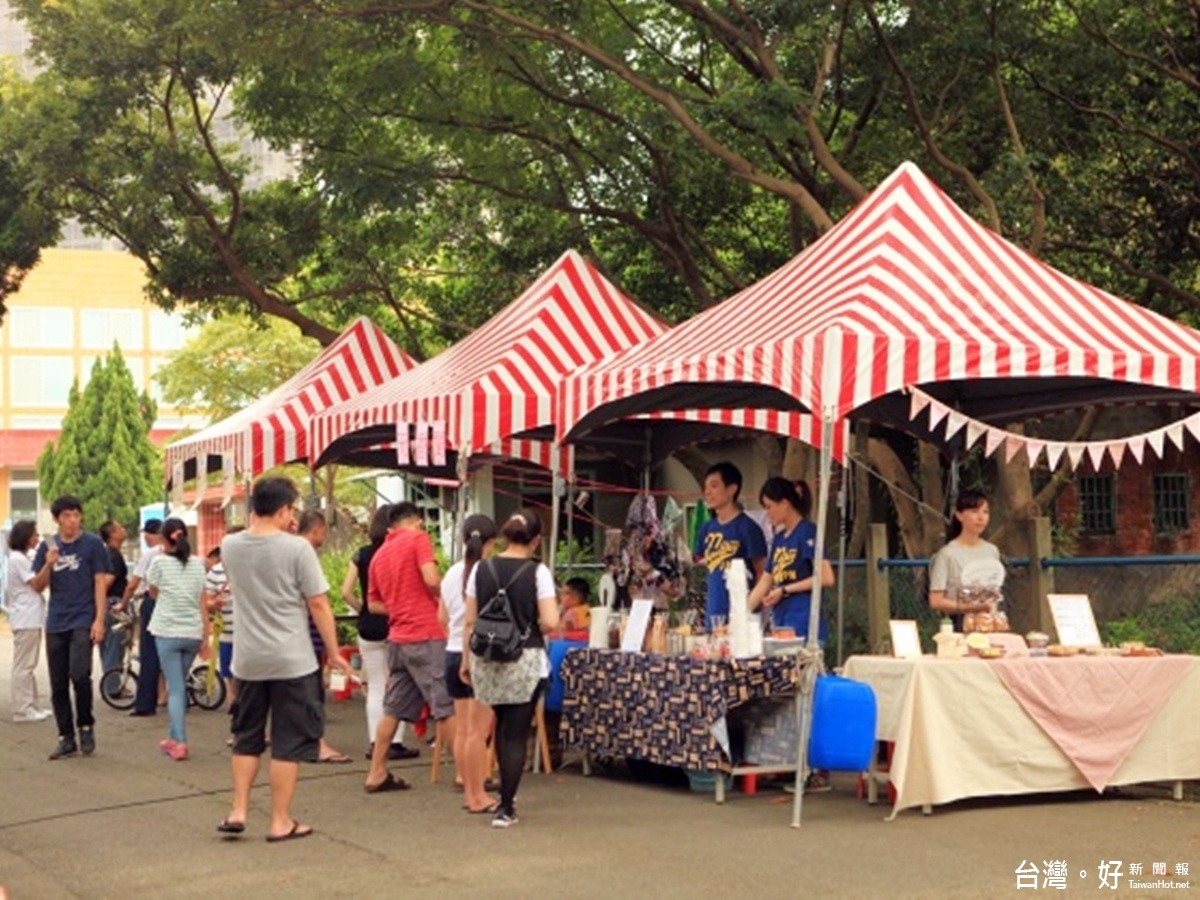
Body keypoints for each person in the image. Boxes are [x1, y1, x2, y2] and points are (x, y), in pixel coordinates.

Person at [218, 476, 350, 841]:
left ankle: (239, 808)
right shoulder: (298, 550)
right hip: (292, 659)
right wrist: (335, 653)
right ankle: (280, 820)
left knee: (246, 736)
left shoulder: (230, 546)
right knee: (288, 742)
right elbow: (318, 603)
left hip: (247, 660)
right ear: (282, 510)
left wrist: (277, 525)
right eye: (290, 508)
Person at [461, 509, 560, 828]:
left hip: (487, 658)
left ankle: (506, 798)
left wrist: (466, 660)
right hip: (524, 658)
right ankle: (506, 807)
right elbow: (551, 621)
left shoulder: (481, 569)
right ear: (535, 540)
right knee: (515, 734)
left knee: (501, 728)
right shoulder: (537, 572)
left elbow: (470, 621)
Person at [363, 501, 452, 794]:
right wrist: (446, 594)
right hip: (426, 633)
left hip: (398, 638)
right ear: (417, 523)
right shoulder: (418, 540)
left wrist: (400, 605)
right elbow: (431, 579)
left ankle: (376, 771)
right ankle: (468, 775)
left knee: (393, 707)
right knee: (445, 707)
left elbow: (373, 603)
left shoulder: (379, 555)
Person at [31, 496, 110, 759]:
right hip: (56, 620)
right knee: (58, 682)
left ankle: (86, 725)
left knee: (80, 674)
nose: (72, 520)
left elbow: (100, 582)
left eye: (76, 515)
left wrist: (99, 620)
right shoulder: (48, 545)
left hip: (82, 618)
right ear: (57, 519)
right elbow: (38, 586)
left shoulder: (92, 544)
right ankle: (66, 737)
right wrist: (48, 564)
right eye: (66, 516)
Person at [341, 505, 419, 762]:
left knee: (375, 686)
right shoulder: (399, 551)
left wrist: (363, 608)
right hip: (397, 625)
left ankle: (376, 741)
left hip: (368, 627)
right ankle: (394, 742)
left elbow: (345, 591)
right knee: (398, 685)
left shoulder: (361, 554)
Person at [439, 513, 499, 814]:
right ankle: (478, 795)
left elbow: (441, 618)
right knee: (479, 731)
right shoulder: (488, 573)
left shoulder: (450, 573)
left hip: (450, 652)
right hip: (477, 653)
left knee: (463, 729)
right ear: (491, 542)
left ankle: (468, 789)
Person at [147, 517, 210, 761]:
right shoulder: (198, 564)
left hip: (167, 631)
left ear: (164, 540)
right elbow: (202, 602)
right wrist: (205, 635)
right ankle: (173, 737)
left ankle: (181, 742)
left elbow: (153, 593)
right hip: (192, 632)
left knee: (175, 689)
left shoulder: (159, 563)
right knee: (179, 685)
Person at [747, 478, 835, 642]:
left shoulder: (807, 532)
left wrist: (785, 590)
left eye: (769, 507)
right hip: (781, 621)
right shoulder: (779, 539)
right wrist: (741, 614)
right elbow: (766, 581)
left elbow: (826, 577)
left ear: (785, 504)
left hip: (804, 620)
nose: (767, 513)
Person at [296, 510, 352, 765]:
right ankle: (317, 742)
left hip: (290, 634)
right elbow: (318, 600)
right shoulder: (304, 553)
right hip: (307, 632)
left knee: (297, 689)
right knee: (311, 689)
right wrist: (334, 649)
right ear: (317, 528)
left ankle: (298, 738)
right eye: (324, 531)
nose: (325, 537)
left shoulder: (286, 550)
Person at [693, 462, 767, 628]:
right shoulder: (707, 528)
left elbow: (762, 574)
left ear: (732, 489)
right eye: (706, 487)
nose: (708, 492)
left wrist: (749, 610)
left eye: (714, 486)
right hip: (712, 614)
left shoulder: (748, 528)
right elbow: (700, 563)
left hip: (741, 617)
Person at [929, 488, 1002, 626]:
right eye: (975, 512)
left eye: (985, 512)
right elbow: (936, 600)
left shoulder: (992, 551)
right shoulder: (947, 554)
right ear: (959, 515)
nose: (981, 518)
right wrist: (968, 608)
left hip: (989, 622)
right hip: (959, 624)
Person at [5, 520, 51, 722]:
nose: (37, 538)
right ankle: (23, 709)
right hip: (26, 616)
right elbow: (37, 584)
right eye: (34, 534)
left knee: (27, 664)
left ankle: (30, 705)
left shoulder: (20, 558)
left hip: (28, 616)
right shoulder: (18, 559)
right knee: (24, 665)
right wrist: (49, 565)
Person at [123, 519, 164, 717]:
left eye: (147, 534)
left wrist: (123, 603)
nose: (145, 538)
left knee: (149, 653)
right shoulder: (185, 556)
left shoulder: (151, 555)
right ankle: (171, 696)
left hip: (154, 604)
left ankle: (145, 703)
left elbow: (133, 583)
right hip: (176, 605)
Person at [202, 543, 236, 704]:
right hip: (227, 632)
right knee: (229, 674)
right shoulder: (216, 571)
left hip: (253, 634)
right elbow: (205, 602)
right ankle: (234, 705)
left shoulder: (257, 567)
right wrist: (214, 603)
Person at [98, 521, 129, 675]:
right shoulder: (113, 555)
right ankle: (112, 686)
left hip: (107, 603)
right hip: (114, 603)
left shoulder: (107, 553)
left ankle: (110, 684)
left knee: (108, 645)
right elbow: (106, 582)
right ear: (112, 535)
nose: (124, 529)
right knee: (115, 645)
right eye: (120, 528)